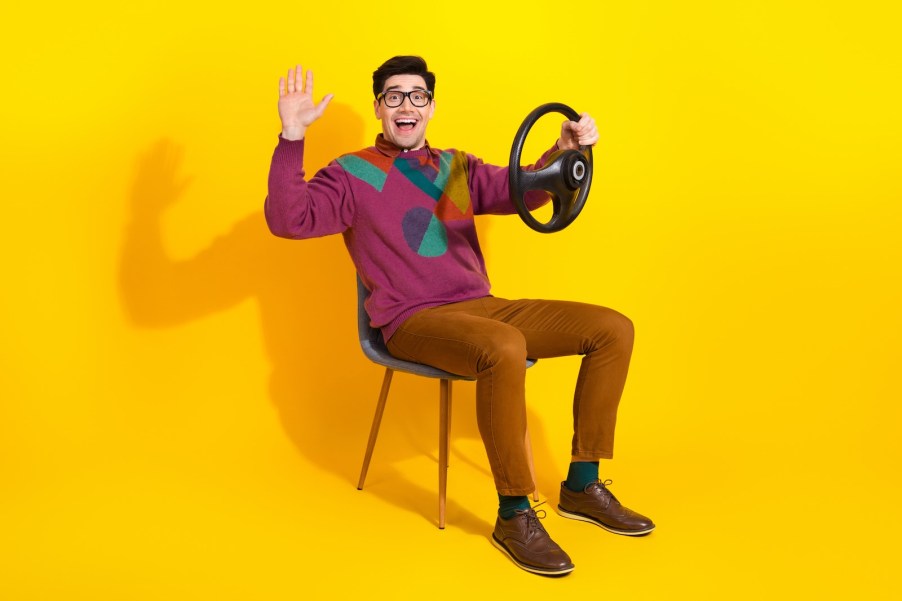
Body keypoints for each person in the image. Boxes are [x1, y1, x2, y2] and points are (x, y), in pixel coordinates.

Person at [265, 56, 654, 576]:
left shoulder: (456, 167)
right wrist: (292, 136)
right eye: (395, 96)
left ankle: (583, 484)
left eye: (418, 95)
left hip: (481, 307)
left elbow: (528, 189)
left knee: (612, 329)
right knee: (505, 346)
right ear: (379, 107)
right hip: (411, 320)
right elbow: (290, 219)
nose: (407, 105)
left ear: (431, 106)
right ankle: (515, 514)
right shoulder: (351, 173)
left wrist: (565, 150)